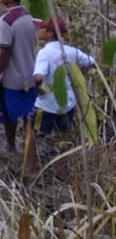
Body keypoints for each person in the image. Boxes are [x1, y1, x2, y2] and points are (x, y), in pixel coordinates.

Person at [24, 16, 95, 176]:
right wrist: (77, 77)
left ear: (50, 33)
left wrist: (37, 89)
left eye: (41, 28)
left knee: (32, 132)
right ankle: (62, 170)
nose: (38, 31)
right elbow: (92, 62)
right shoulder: (71, 51)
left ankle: (30, 169)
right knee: (64, 135)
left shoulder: (45, 52)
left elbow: (39, 77)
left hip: (46, 104)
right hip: (67, 104)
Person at [0, 0, 37, 154]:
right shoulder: (27, 16)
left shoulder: (6, 22)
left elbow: (4, 52)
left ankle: (11, 146)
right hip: (29, 75)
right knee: (28, 114)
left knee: (9, 115)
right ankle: (29, 148)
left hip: (11, 78)